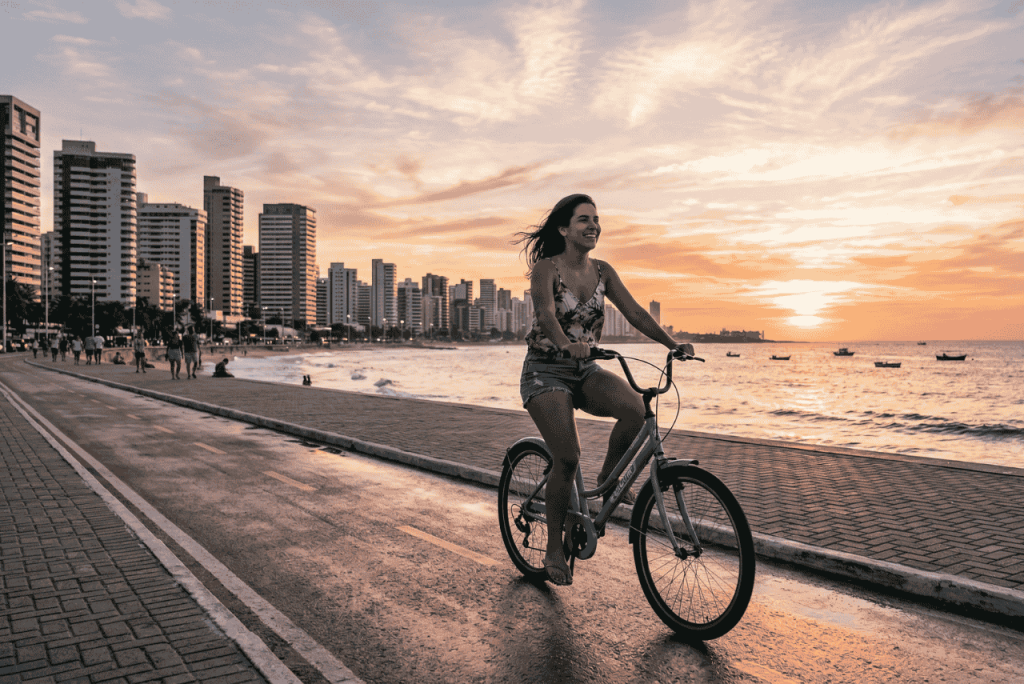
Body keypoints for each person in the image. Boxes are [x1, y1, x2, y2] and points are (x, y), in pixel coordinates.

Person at [515, 194, 693, 587]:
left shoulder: (603, 271)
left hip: (586, 369)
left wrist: (671, 343)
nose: (593, 225)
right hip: (546, 372)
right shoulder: (546, 269)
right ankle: (553, 551)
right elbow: (546, 313)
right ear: (564, 229)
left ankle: (609, 476)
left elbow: (635, 313)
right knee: (567, 458)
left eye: (596, 219)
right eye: (583, 220)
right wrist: (564, 343)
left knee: (635, 408)